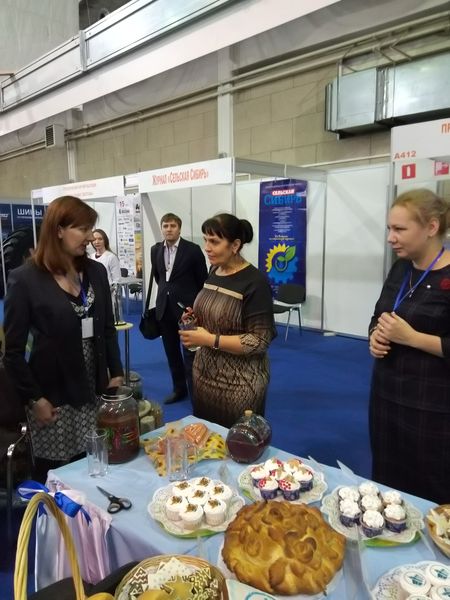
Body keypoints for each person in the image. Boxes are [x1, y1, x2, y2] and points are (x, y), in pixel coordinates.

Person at [3, 196, 124, 482]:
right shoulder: (26, 279)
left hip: (93, 390)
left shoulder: (96, 271)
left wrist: (116, 372)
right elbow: (13, 352)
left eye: (91, 229)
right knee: (56, 475)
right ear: (58, 230)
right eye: (82, 229)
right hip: (54, 397)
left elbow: (107, 328)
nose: (90, 237)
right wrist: (35, 399)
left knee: (93, 466)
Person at [368, 188, 450, 504]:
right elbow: (379, 314)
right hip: (387, 398)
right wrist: (375, 335)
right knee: (388, 484)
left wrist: (413, 338)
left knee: (431, 490)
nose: (391, 238)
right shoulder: (400, 268)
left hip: (433, 407)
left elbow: (407, 333)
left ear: (431, 227)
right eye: (390, 228)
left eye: (400, 229)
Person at [179, 213, 276, 428]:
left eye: (214, 242)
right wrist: (195, 318)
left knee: (236, 442)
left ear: (235, 245)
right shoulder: (215, 270)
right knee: (206, 438)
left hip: (239, 385)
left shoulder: (255, 283)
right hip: (204, 376)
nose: (207, 247)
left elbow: (259, 341)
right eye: (205, 240)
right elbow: (217, 313)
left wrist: (209, 339)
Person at [150, 213, 207, 404]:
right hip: (164, 308)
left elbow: (202, 280)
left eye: (173, 226)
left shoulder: (192, 250)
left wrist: (195, 306)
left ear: (179, 228)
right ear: (161, 228)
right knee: (171, 352)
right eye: (165, 226)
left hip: (187, 311)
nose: (169, 229)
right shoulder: (155, 250)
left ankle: (196, 392)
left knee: (191, 354)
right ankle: (179, 389)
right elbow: (159, 278)